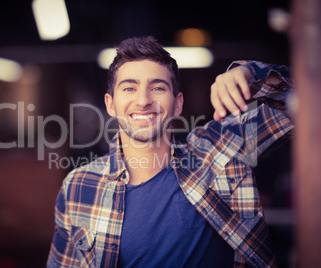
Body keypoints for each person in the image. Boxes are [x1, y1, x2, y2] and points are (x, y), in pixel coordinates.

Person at [46, 36, 293, 267]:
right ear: (111, 104)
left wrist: (250, 73)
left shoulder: (218, 149)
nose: (143, 100)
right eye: (129, 88)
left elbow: (297, 108)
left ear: (178, 103)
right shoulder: (78, 186)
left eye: (158, 88)